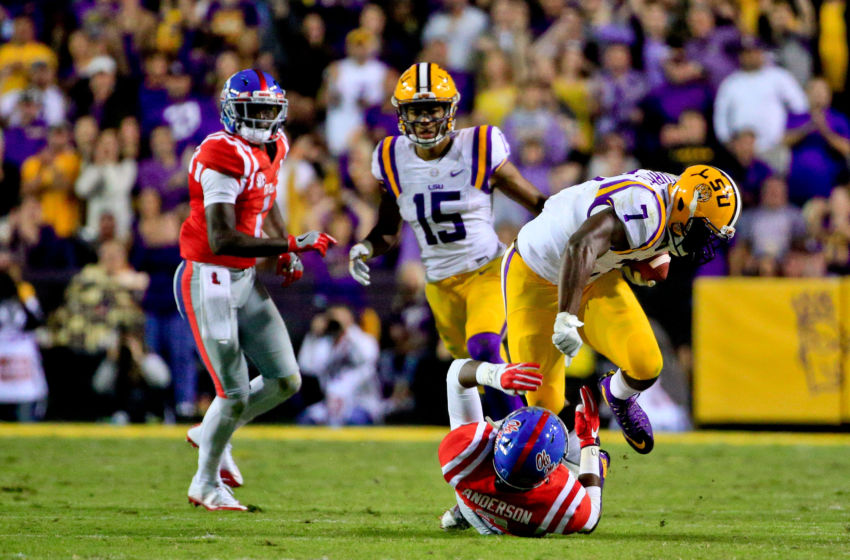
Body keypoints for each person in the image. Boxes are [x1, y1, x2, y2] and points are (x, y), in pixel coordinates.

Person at [348, 63, 547, 419]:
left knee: (484, 346)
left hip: (487, 270)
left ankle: (526, 435)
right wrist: (365, 247)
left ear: (450, 109)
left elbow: (536, 202)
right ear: (401, 114)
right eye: (415, 111)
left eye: (432, 109)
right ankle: (504, 441)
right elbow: (388, 231)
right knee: (472, 374)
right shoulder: (391, 157)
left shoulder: (479, 145)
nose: (424, 119)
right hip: (440, 285)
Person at [176, 69, 336, 511]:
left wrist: (284, 249)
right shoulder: (220, 154)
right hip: (209, 276)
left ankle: (210, 432)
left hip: (244, 278)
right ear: (232, 111)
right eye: (256, 109)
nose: (264, 118)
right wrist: (289, 243)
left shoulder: (275, 145)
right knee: (234, 392)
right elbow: (222, 236)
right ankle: (205, 483)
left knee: (286, 378)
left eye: (270, 109)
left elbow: (266, 203)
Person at [501, 166, 740, 454]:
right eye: (702, 231)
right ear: (682, 206)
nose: (703, 241)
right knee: (543, 411)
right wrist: (567, 317)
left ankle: (617, 396)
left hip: (592, 277)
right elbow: (580, 245)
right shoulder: (646, 211)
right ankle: (571, 466)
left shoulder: (674, 203)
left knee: (645, 363)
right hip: (533, 276)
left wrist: (642, 256)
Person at [438, 359, 609, 536]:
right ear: (551, 471)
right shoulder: (558, 499)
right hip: (519, 523)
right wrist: (590, 443)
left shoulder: (464, 454)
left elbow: (456, 374)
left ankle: (465, 512)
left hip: (474, 509)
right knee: (595, 461)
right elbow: (591, 519)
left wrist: (495, 374)